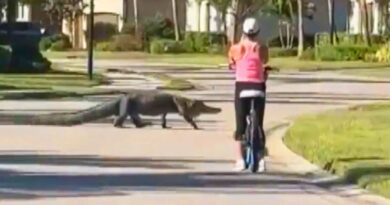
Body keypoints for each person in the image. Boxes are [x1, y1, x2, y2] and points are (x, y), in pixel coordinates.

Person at [228, 17, 269, 172]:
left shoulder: (236, 48)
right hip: (258, 87)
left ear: (243, 31)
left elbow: (232, 64)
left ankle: (240, 160)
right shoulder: (262, 48)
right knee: (258, 124)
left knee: (240, 125)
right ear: (257, 32)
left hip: (242, 87)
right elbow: (264, 64)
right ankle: (261, 160)